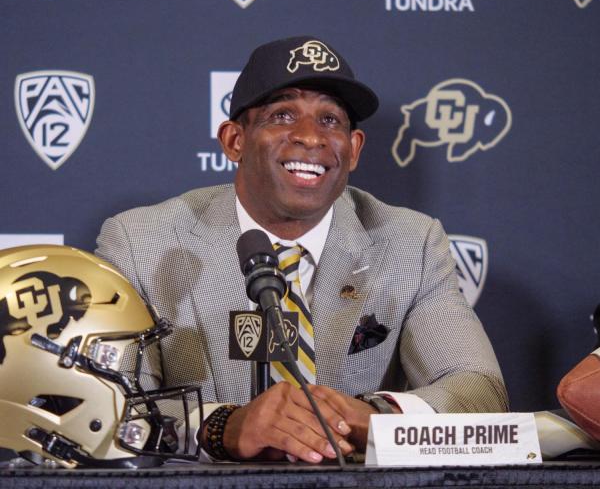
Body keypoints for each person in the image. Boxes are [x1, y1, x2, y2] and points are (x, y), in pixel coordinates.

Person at [96, 35, 508, 464]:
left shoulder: (411, 243)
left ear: (353, 150)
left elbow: (477, 388)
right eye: (282, 114)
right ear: (234, 140)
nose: (310, 137)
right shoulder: (140, 242)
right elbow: (109, 405)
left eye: (330, 120)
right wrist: (223, 426)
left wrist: (376, 415)